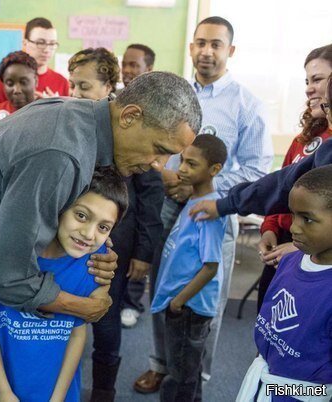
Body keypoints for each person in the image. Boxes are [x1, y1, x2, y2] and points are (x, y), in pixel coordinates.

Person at [0, 70, 202, 401]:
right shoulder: (61, 153)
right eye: (158, 148)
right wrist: (81, 308)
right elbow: (8, 279)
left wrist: (95, 249)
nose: (159, 164)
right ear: (130, 116)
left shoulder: (80, 119)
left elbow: (44, 212)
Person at [134, 16, 273, 394]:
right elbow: (154, 146)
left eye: (215, 44)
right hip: (167, 205)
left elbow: (257, 169)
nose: (206, 51)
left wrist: (200, 188)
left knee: (203, 295)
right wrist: (171, 179)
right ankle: (159, 363)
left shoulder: (247, 105)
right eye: (200, 43)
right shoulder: (174, 96)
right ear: (191, 48)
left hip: (214, 211)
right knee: (163, 285)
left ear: (230, 51)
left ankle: (198, 375)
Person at [0, 167, 128, 402]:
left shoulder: (93, 265)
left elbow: (78, 335)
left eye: (103, 227)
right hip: (1, 387)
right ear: (59, 206)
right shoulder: (0, 253)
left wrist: (57, 398)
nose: (89, 234)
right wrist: (3, 390)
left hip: (57, 391)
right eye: (81, 215)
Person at [66, 47, 164, 401]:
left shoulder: (131, 131)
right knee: (62, 319)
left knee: (105, 323)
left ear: (109, 87)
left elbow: (151, 200)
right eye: (72, 86)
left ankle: (103, 391)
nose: (76, 94)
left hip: (113, 249)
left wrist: (143, 253)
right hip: (69, 245)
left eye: (85, 87)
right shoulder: (69, 126)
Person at [236, 165, 332, 402]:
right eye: (293, 215)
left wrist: (285, 391)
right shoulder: (289, 260)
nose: (293, 228)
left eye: (308, 219)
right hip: (265, 383)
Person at [189, 73, 332, 220]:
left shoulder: (246, 103)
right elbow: (283, 184)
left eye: (328, 106)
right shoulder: (319, 148)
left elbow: (279, 182)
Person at [151, 134, 228, 402]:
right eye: (182, 161)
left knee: (179, 377)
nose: (181, 169)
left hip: (189, 308)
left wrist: (178, 302)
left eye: (191, 164)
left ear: (214, 170)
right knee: (186, 372)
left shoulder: (208, 211)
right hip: (183, 304)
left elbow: (210, 266)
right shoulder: (193, 200)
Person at [256, 44, 332, 310]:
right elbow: (281, 189)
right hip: (283, 251)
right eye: (307, 81)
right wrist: (269, 229)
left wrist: (304, 248)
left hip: (317, 258)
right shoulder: (304, 139)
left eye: (318, 79)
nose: (309, 88)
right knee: (268, 325)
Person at [117, 42, 158, 328]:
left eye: (135, 65)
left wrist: (144, 254)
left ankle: (132, 302)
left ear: (149, 70)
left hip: (137, 209)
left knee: (133, 263)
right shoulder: (116, 104)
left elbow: (151, 194)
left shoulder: (153, 113)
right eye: (125, 64)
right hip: (114, 212)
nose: (128, 71)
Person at [0, 17, 68, 105]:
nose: (47, 50)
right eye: (40, 43)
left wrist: (54, 107)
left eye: (52, 44)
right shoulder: (6, 81)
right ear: (25, 43)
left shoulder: (62, 82)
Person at [0, 51, 37, 132]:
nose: (17, 90)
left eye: (23, 82)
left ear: (36, 81)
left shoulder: (47, 113)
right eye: (10, 84)